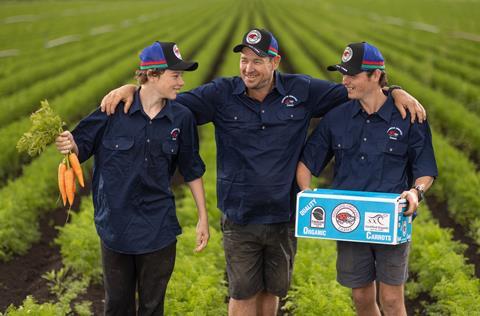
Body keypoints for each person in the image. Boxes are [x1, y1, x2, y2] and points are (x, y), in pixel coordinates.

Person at [100, 29, 426, 316]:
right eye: (243, 60)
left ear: (275, 62)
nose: (248, 68)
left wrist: (396, 90)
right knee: (242, 292)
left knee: (272, 292)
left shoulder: (303, 91)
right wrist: (133, 87)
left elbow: (360, 90)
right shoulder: (220, 94)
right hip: (240, 216)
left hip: (284, 216)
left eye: (257, 61)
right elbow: (171, 101)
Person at [55, 41, 209, 316]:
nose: (182, 82)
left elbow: (191, 169)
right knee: (117, 306)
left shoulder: (181, 118)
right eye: (176, 76)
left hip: (158, 228)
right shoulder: (111, 110)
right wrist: (69, 144)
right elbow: (81, 145)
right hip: (116, 227)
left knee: (152, 307)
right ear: (153, 75)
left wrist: (203, 218)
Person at [296, 42, 437, 316]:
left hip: (391, 221)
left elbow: (425, 169)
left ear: (375, 75)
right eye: (343, 74)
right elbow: (307, 163)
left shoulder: (409, 116)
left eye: (352, 75)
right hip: (350, 221)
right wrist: (309, 194)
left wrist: (415, 192)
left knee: (392, 299)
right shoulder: (337, 118)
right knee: (361, 296)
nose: (344, 81)